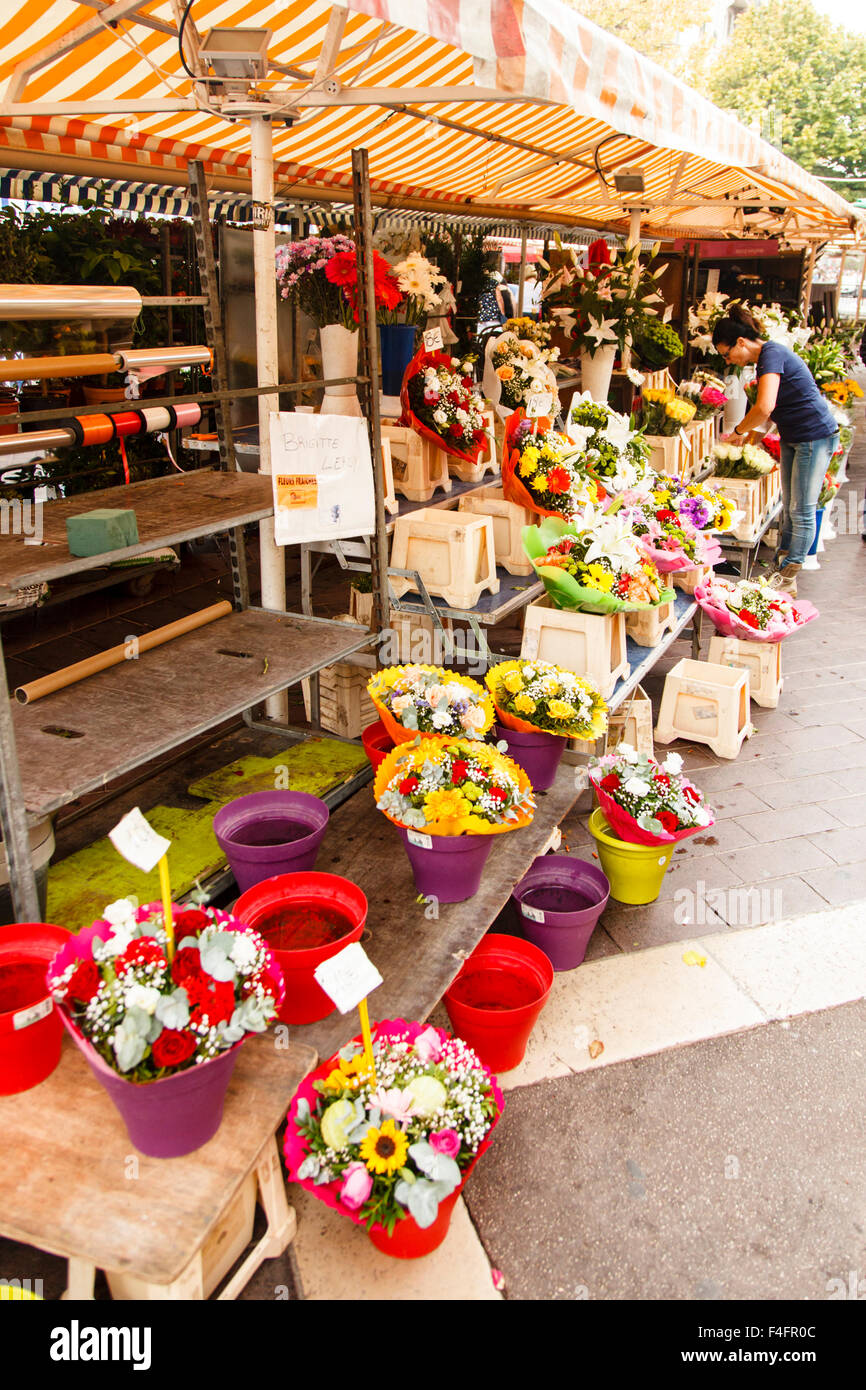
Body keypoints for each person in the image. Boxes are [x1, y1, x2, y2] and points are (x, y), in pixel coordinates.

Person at [712, 305, 839, 595]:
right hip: (796, 436)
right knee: (791, 507)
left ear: (741, 342)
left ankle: (789, 575)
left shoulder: (772, 354)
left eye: (727, 353)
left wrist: (739, 431)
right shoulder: (767, 359)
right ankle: (781, 569)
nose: (728, 360)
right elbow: (771, 414)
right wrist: (749, 442)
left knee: (802, 509)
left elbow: (764, 406)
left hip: (814, 436)